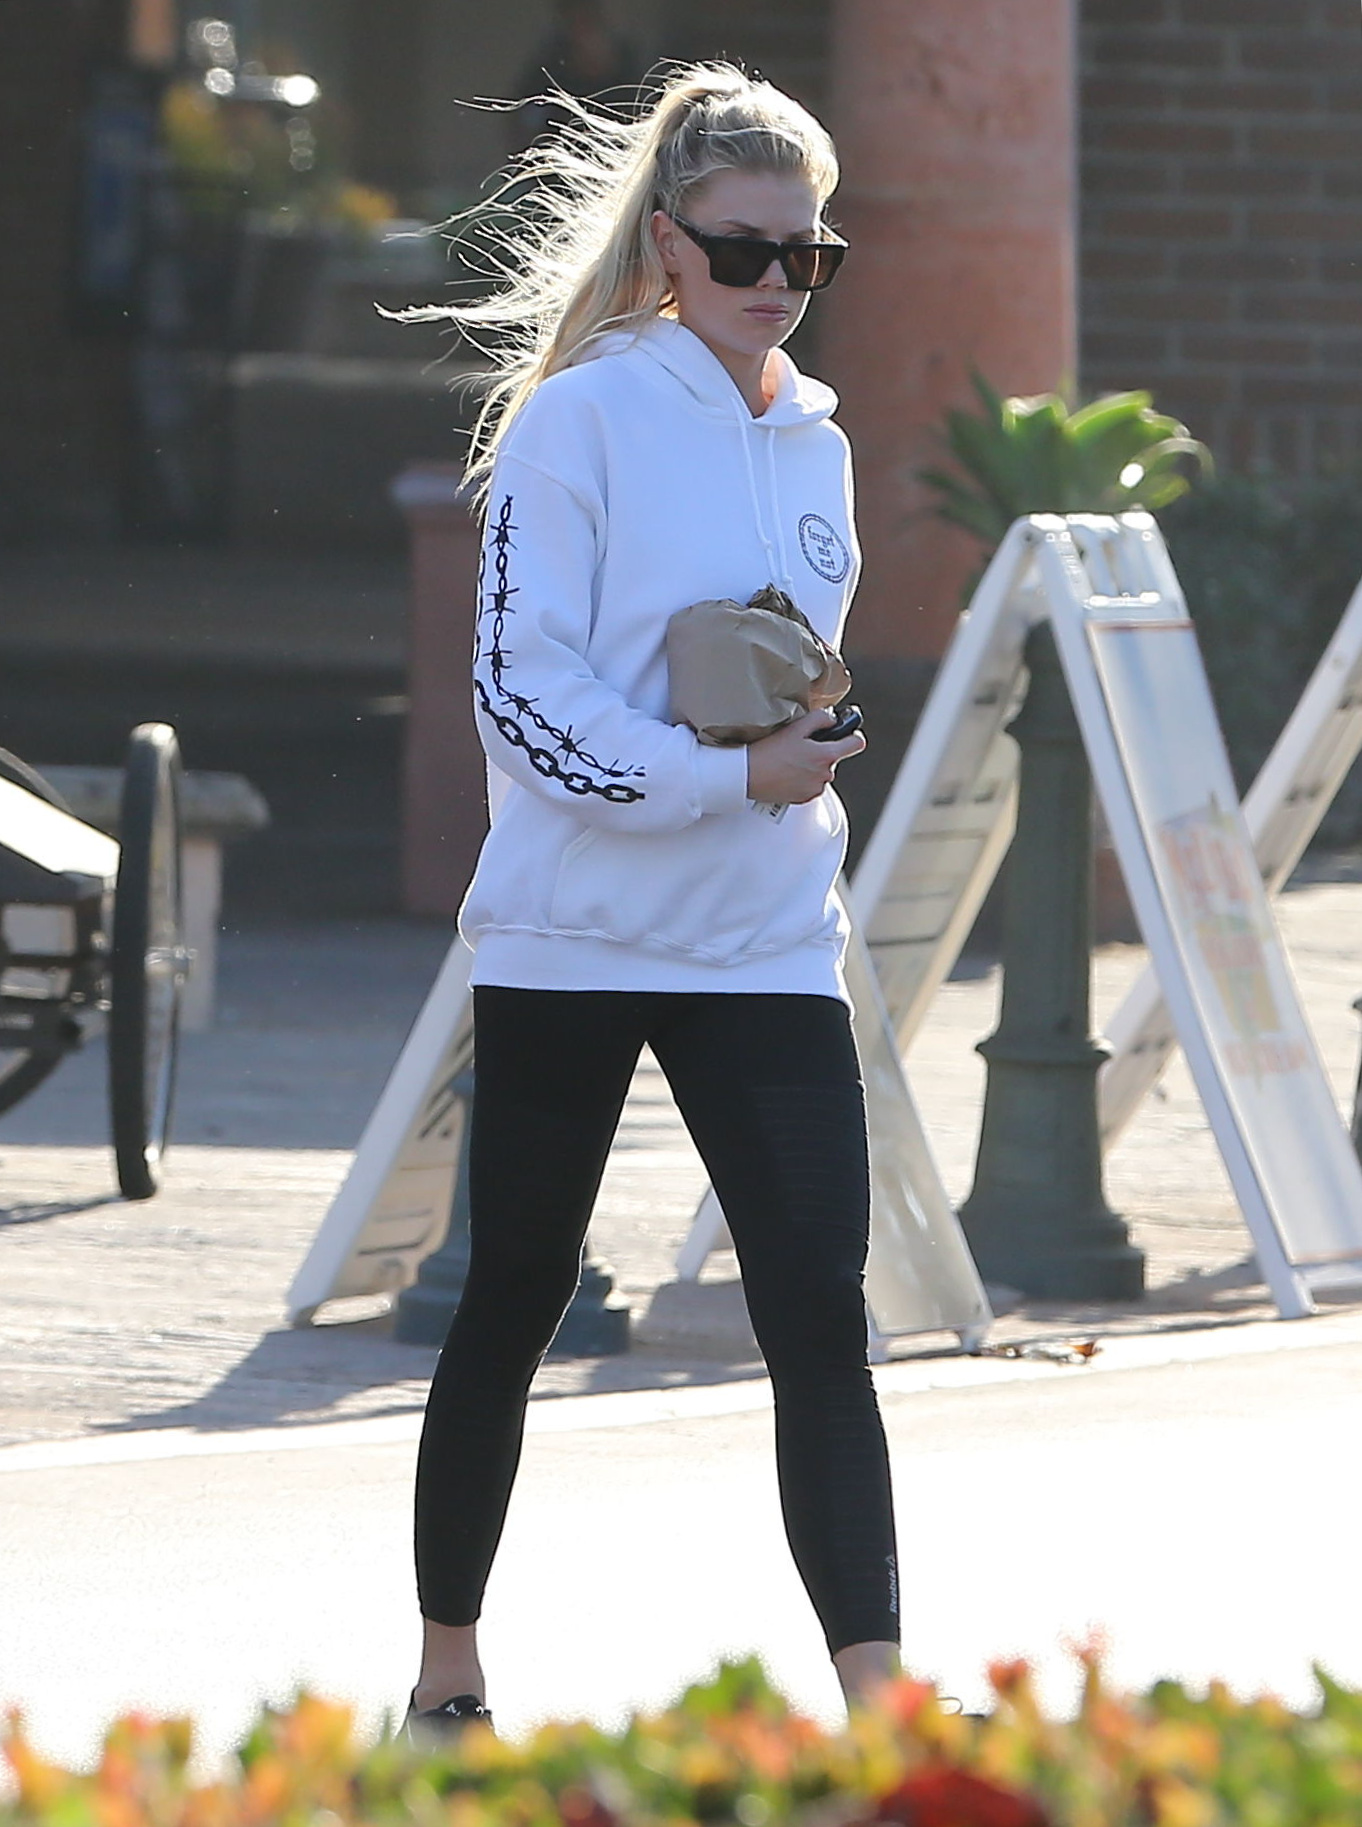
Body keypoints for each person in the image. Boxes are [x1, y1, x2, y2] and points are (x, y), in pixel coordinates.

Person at [401, 60, 900, 1739]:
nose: (777, 281)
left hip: (764, 940)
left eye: (808, 254)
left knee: (818, 1314)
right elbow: (520, 698)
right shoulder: (581, 418)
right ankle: (448, 1673)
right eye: (743, 249)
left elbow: (787, 660)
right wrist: (718, 777)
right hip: (577, 934)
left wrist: (803, 739)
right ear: (668, 244)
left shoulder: (816, 442)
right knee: (515, 1294)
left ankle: (881, 1706)